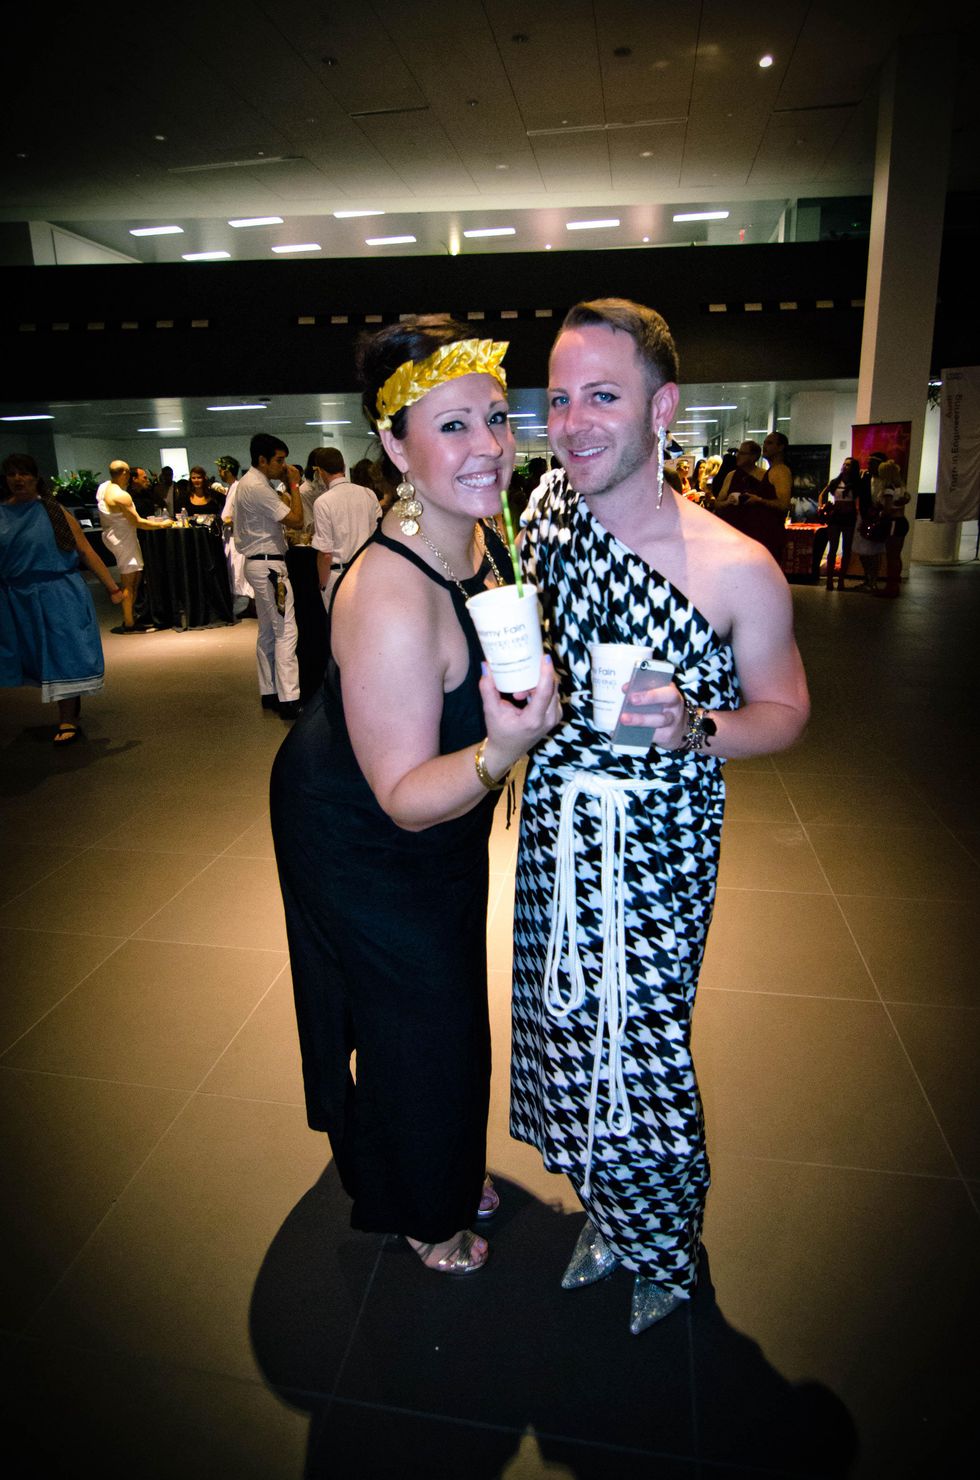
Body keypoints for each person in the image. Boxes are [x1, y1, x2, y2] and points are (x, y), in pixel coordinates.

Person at [511, 298, 809, 1334]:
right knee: (566, 1021)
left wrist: (693, 724)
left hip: (659, 837)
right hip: (556, 817)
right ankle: (608, 1210)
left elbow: (784, 712)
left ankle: (667, 1247)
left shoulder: (734, 566)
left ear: (660, 407)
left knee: (641, 1043)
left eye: (602, 395)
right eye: (557, 398)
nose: (574, 420)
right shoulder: (544, 514)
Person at [270, 316, 560, 1276]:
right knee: (417, 1015)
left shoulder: (477, 537)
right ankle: (418, 1204)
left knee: (442, 1001)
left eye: (496, 419)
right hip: (363, 825)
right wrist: (506, 748)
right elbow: (399, 794)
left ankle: (436, 1156)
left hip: (441, 808)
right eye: (452, 427)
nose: (488, 448)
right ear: (394, 445)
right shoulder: (389, 596)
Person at [1, 453, 125, 743]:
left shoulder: (53, 512)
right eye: (11, 474)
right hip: (17, 597)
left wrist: (113, 588)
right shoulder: (2, 513)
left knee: (63, 654)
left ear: (35, 478)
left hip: (58, 593)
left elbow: (85, 551)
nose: (18, 479)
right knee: (28, 657)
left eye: (24, 473)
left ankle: (67, 719)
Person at [233, 432, 304, 717]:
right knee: (286, 629)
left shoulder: (251, 483)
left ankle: (270, 690)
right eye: (279, 460)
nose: (283, 466)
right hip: (270, 567)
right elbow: (297, 520)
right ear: (261, 460)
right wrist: (295, 484)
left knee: (267, 631)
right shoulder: (257, 487)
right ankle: (289, 697)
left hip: (259, 563)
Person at [96, 459, 172, 631]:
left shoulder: (103, 488)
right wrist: (163, 524)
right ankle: (129, 622)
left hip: (118, 536)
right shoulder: (121, 496)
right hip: (123, 539)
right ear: (124, 474)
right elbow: (138, 522)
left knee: (135, 578)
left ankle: (131, 618)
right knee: (129, 582)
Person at [310, 447, 381, 610]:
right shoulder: (368, 494)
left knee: (339, 631)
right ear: (343, 467)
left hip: (337, 575)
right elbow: (376, 538)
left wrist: (323, 584)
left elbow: (325, 552)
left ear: (320, 472)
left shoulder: (323, 502)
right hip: (365, 572)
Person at [817, 455, 862, 590]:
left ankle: (841, 579)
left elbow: (858, 501)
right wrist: (821, 507)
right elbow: (821, 494)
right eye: (844, 464)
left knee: (846, 549)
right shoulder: (835, 482)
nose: (845, 466)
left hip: (849, 516)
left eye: (848, 465)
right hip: (836, 516)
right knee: (833, 548)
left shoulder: (856, 484)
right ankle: (830, 580)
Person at [874, 459, 911, 597]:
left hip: (893, 523)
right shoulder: (900, 487)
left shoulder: (888, 488)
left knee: (892, 557)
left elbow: (888, 509)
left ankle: (891, 587)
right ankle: (895, 585)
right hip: (901, 521)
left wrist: (879, 513)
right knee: (897, 556)